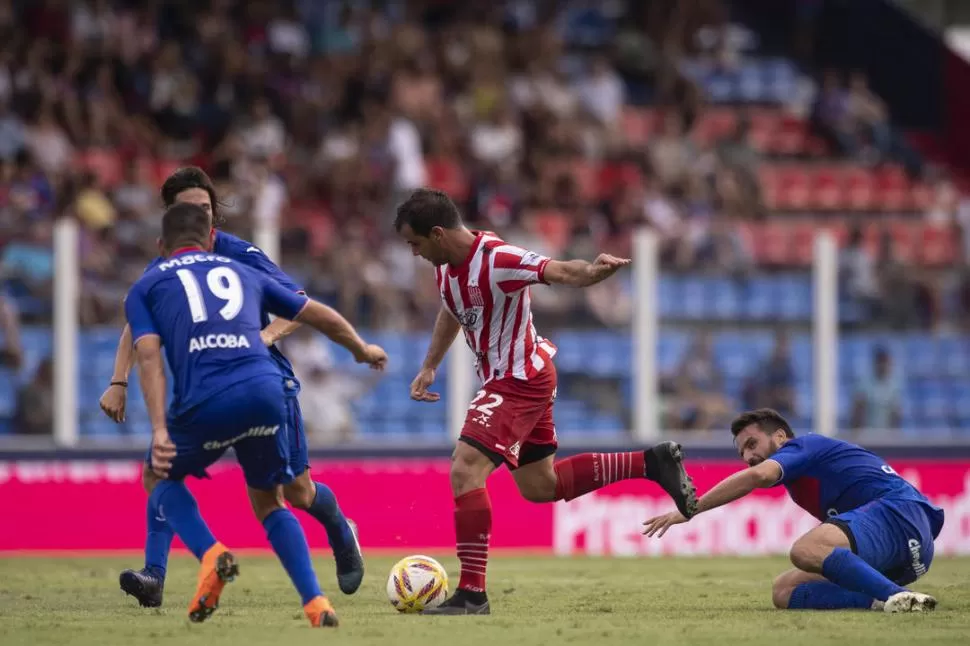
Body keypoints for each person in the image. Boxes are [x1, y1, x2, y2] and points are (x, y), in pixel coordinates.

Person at [395, 188, 698, 616]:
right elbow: (452, 309)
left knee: (465, 469)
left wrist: (593, 273)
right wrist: (429, 366)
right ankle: (651, 463)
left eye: (415, 243)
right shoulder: (446, 269)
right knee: (541, 487)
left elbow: (559, 270)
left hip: (518, 379)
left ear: (439, 234)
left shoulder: (498, 259)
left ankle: (472, 594)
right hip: (522, 377)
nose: (413, 253)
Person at [101, 167, 364, 608]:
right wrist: (118, 379)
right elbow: (137, 321)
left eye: (204, 208)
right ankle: (154, 573)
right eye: (189, 209)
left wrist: (263, 337)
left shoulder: (240, 253)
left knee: (296, 492)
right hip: (202, 385)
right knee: (163, 464)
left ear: (214, 212)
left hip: (263, 379)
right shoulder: (165, 262)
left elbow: (297, 304)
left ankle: (340, 528)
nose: (199, 216)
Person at [642, 408, 943, 613]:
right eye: (742, 452)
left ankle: (893, 594)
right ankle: (887, 599)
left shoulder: (805, 446)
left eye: (752, 443)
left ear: (781, 437)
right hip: (911, 558)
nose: (748, 456)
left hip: (901, 515)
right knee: (785, 590)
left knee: (806, 549)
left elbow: (757, 477)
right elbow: (753, 480)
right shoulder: (798, 480)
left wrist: (691, 508)